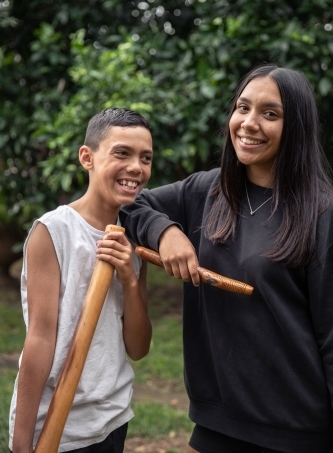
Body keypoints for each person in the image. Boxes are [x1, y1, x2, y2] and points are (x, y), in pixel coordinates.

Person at [120, 65, 333, 453]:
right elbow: (128, 205)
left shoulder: (322, 213)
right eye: (242, 108)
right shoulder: (208, 191)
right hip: (217, 418)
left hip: (296, 430)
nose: (249, 123)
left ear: (296, 127)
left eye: (270, 113)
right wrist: (166, 232)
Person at [9, 108, 153, 453]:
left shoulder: (136, 239)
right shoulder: (54, 231)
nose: (136, 167)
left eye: (145, 158)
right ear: (87, 157)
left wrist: (129, 279)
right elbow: (41, 338)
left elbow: (138, 347)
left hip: (112, 416)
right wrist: (20, 441)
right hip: (59, 426)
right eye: (122, 153)